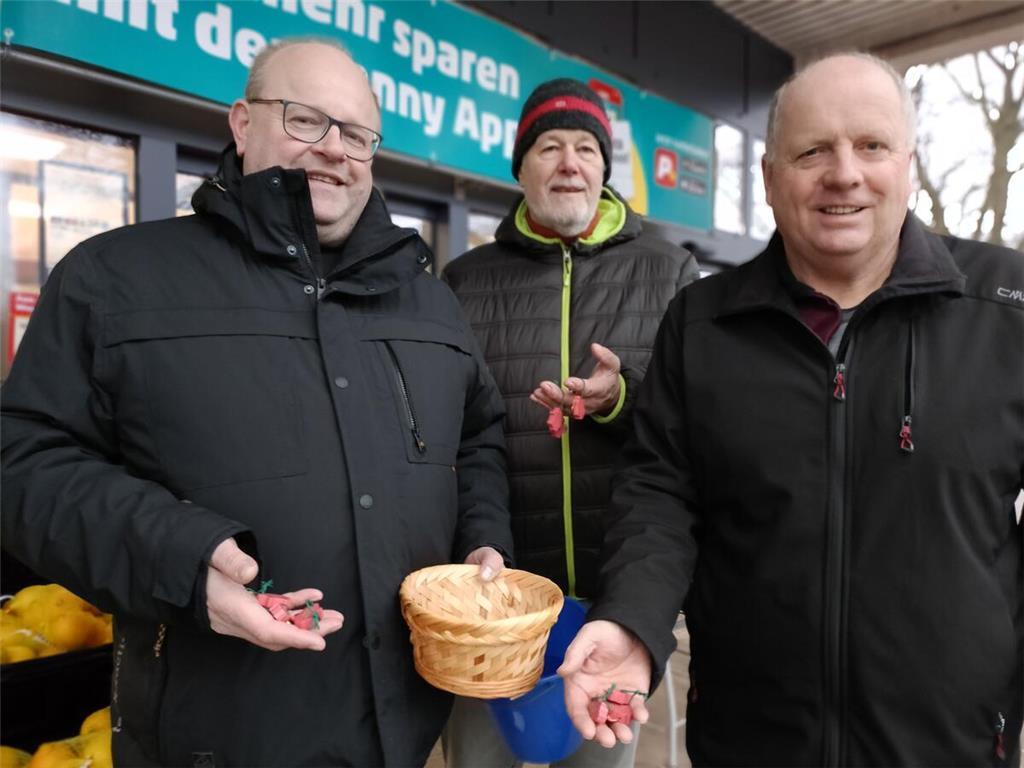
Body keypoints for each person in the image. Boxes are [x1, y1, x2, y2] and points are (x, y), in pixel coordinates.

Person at [1, 38, 512, 767]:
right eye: (306, 120)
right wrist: (180, 560)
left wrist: (482, 540)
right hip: (218, 737)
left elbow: (479, 436)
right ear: (242, 123)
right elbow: (22, 461)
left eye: (359, 135)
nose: (336, 149)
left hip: (402, 733)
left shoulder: (429, 302)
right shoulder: (114, 281)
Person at [559, 52, 1023, 765]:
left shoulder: (1004, 309)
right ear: (772, 179)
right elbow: (658, 494)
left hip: (951, 743)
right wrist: (635, 623)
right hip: (750, 740)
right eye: (813, 151)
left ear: (907, 162)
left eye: (871, 145)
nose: (845, 173)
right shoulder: (703, 321)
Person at [442, 78, 698, 767]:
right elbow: (447, 434)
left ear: (605, 167)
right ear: (519, 166)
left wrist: (619, 400)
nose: (569, 162)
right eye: (549, 146)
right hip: (494, 602)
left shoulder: (669, 273)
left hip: (612, 599)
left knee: (598, 756)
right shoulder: (464, 281)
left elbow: (697, 427)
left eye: (586, 147)